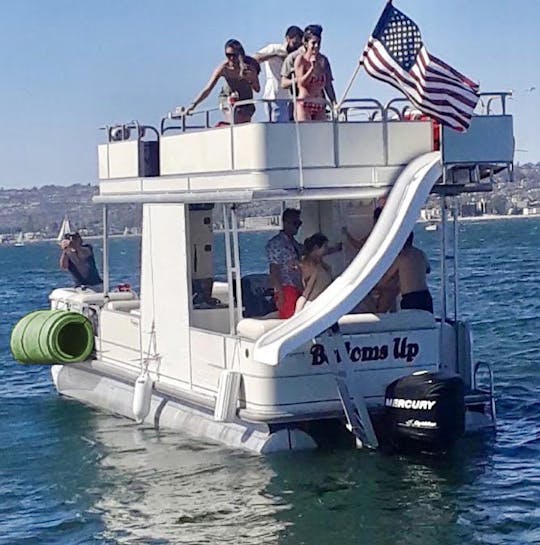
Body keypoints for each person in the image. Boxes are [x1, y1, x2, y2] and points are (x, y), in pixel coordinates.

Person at [186, 39, 261, 124]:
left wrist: (250, 78)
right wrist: (193, 105)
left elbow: (257, 89)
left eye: (234, 55)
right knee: (234, 116)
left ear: (240, 55)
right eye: (228, 55)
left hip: (246, 99)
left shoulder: (250, 68)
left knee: (243, 121)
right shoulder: (224, 68)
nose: (231, 58)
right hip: (228, 97)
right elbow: (208, 89)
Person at [255, 26, 303, 122]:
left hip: (289, 98)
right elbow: (256, 58)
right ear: (287, 39)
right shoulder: (275, 48)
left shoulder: (297, 55)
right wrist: (275, 55)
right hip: (274, 96)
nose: (296, 47)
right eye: (294, 43)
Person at [380, 233, 433, 313]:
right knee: (426, 322)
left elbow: (387, 276)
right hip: (425, 295)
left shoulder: (401, 257)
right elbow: (428, 269)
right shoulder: (421, 253)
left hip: (411, 298)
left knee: (412, 323)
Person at [265, 208, 303, 319]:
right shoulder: (276, 243)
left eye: (299, 223)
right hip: (287, 290)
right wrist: (280, 294)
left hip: (298, 288)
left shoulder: (294, 243)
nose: (298, 226)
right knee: (290, 321)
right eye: (295, 223)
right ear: (285, 223)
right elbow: (274, 270)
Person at [293, 25, 337, 121]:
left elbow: (328, 84)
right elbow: (301, 83)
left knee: (320, 133)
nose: (316, 46)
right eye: (313, 43)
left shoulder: (323, 60)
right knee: (306, 132)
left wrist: (334, 102)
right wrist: (311, 69)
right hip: (304, 103)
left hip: (319, 103)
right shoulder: (300, 59)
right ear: (306, 43)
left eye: (319, 43)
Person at [295, 233, 333, 313]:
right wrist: (297, 314)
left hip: (324, 305)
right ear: (316, 248)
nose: (326, 249)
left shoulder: (319, 263)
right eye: (324, 247)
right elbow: (307, 290)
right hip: (314, 306)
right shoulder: (310, 264)